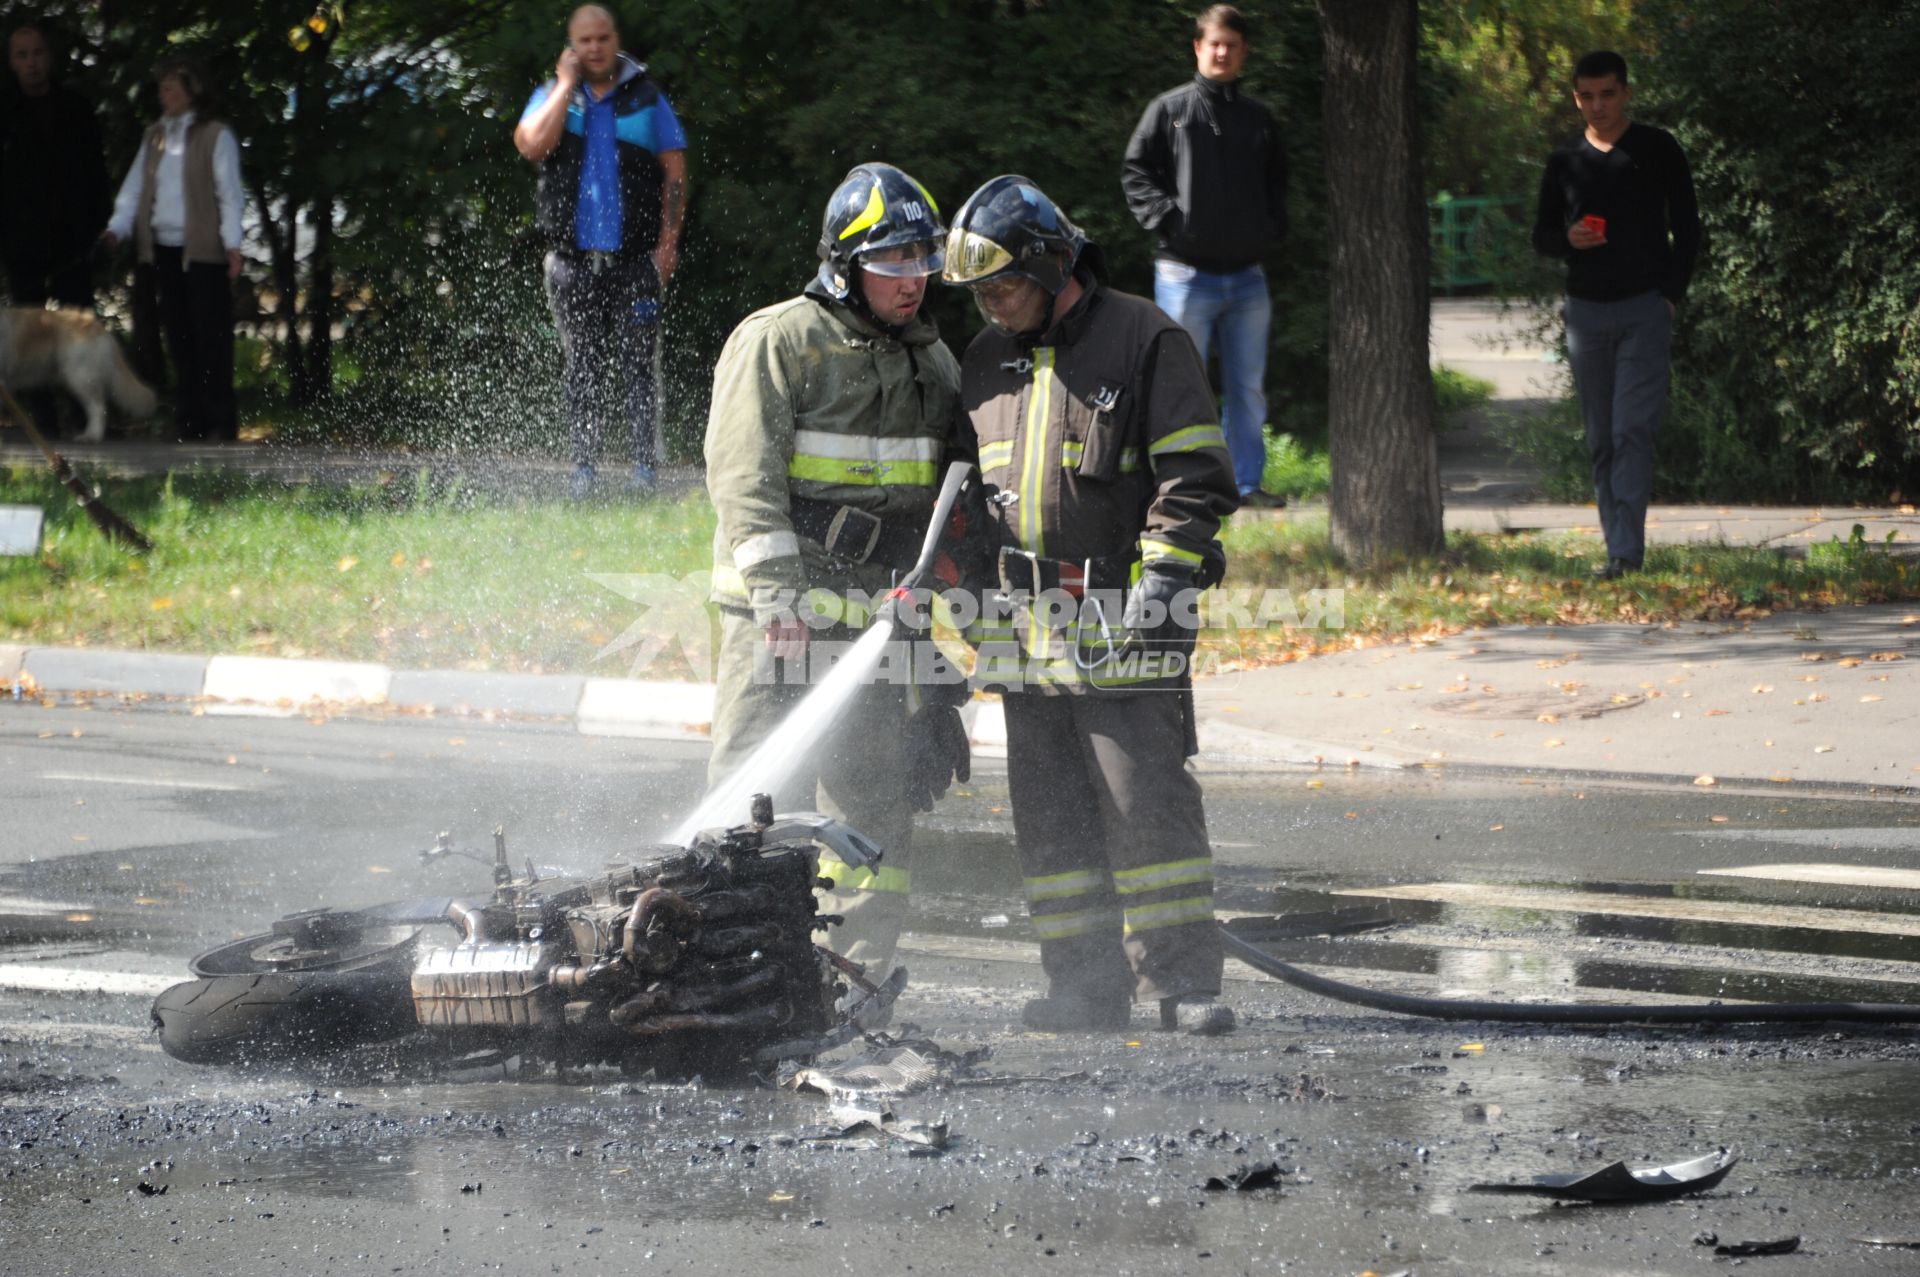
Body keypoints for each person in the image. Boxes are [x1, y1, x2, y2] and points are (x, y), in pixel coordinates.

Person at [943, 175, 1239, 1035]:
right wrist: (962, 592)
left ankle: (1182, 986)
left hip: (1125, 613)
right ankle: (1082, 985)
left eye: (1003, 286)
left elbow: (1192, 475)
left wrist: (1163, 585)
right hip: (1023, 626)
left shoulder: (1144, 339)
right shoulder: (983, 361)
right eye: (982, 294)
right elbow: (962, 497)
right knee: (1052, 819)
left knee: (1143, 804)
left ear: (1050, 263)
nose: (993, 306)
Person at [703, 162, 967, 982]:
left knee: (877, 811)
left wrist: (942, 641)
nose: (912, 280)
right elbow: (743, 476)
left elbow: (941, 508)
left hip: (874, 623)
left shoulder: (938, 366)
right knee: (754, 801)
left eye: (923, 261)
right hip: (776, 618)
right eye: (892, 261)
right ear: (845, 264)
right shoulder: (780, 339)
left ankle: (850, 980)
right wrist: (777, 594)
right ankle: (729, 972)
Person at [1532, 49, 1702, 580]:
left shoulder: (1657, 148)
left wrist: (1668, 296)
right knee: (1601, 437)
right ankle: (1617, 551)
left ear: (1626, 92)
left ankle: (1627, 555)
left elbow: (1690, 229)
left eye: (1608, 93)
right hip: (1586, 314)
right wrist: (1570, 240)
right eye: (1587, 95)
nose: (1598, 105)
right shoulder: (1565, 161)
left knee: (1632, 429)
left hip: (1644, 310)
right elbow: (1542, 236)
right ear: (1575, 97)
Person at [514, 4, 687, 499]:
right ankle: (583, 473)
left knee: (639, 366)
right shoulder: (553, 98)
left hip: (635, 261)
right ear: (573, 46)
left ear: (615, 40)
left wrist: (667, 246)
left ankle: (644, 473)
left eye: (602, 38)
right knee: (580, 366)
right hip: (571, 262)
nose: (594, 48)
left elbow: (675, 172)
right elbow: (530, 145)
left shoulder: (647, 99)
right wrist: (565, 86)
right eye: (584, 41)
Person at [1122, 3, 1288, 509]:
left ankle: (1244, 486)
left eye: (1231, 45)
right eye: (1214, 43)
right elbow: (1136, 171)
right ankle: (1176, 485)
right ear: (1198, 48)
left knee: (1247, 390)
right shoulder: (1169, 111)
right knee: (1175, 385)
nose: (1222, 52)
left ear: (1243, 52)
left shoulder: (1259, 119)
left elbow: (1278, 185)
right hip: (1184, 275)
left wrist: (1268, 230)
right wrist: (1172, 220)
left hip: (1247, 279)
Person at [100, 57, 243, 444]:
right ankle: (190, 422)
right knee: (178, 337)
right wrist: (117, 227)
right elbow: (133, 189)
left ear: (192, 90)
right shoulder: (155, 136)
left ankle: (220, 423)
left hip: (202, 251)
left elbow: (229, 194)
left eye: (171, 86)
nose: (163, 94)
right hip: (162, 249)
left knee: (210, 338)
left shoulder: (216, 135)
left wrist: (233, 243)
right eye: (161, 87)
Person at [2, 24, 109, 309]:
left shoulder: (76, 109)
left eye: (37, 53)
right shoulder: (6, 114)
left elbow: (96, 172)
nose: (31, 62)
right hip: (22, 239)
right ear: (12, 62)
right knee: (28, 332)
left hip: (72, 236)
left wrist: (100, 224)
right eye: (22, 55)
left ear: (49, 57)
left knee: (76, 323)